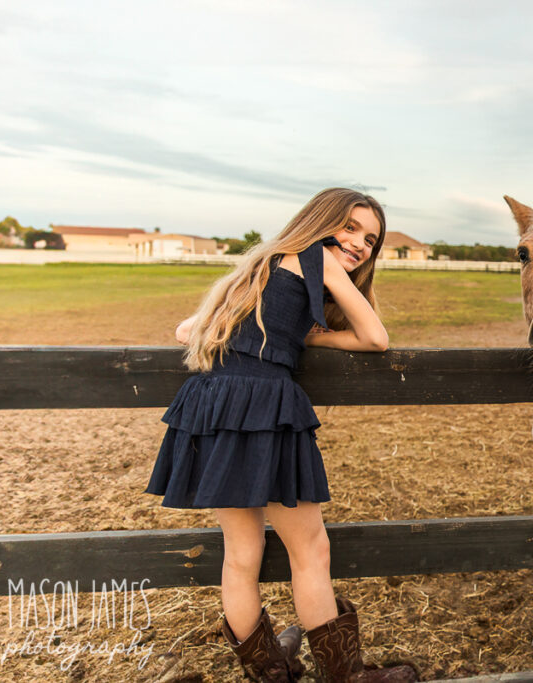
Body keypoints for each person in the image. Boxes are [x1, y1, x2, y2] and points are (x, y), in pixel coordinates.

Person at [145, 188, 418, 683]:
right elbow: (375, 338)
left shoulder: (257, 265)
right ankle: (346, 677)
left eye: (371, 240)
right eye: (350, 228)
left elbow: (187, 331)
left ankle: (271, 672)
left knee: (241, 554)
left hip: (212, 405)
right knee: (310, 549)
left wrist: (268, 328)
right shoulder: (315, 258)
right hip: (265, 404)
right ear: (321, 221)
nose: (359, 245)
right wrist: (312, 336)